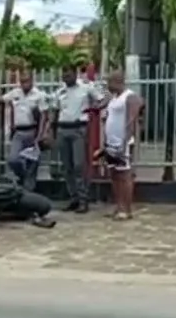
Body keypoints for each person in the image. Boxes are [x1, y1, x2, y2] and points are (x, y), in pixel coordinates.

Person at [52, 67, 106, 213]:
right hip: (63, 128)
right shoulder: (59, 91)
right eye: (64, 75)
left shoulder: (86, 87)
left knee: (79, 165)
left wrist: (93, 111)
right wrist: (53, 131)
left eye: (69, 75)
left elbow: (103, 99)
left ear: (75, 74)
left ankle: (83, 199)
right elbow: (55, 111)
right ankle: (74, 198)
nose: (66, 78)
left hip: (79, 128)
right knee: (67, 166)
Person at [0, 69, 49, 190]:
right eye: (22, 81)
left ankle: (29, 191)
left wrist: (40, 135)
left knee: (32, 163)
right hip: (19, 132)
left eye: (27, 81)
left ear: (32, 81)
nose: (24, 84)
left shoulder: (39, 95)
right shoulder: (16, 93)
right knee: (13, 160)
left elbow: (44, 116)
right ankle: (23, 176)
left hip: (33, 131)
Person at [98, 70, 143, 221]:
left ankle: (127, 209)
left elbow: (131, 121)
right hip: (111, 141)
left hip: (123, 142)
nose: (108, 86)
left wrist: (125, 141)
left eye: (110, 82)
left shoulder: (129, 97)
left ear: (118, 81)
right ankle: (119, 206)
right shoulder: (113, 98)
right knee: (115, 175)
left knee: (125, 175)